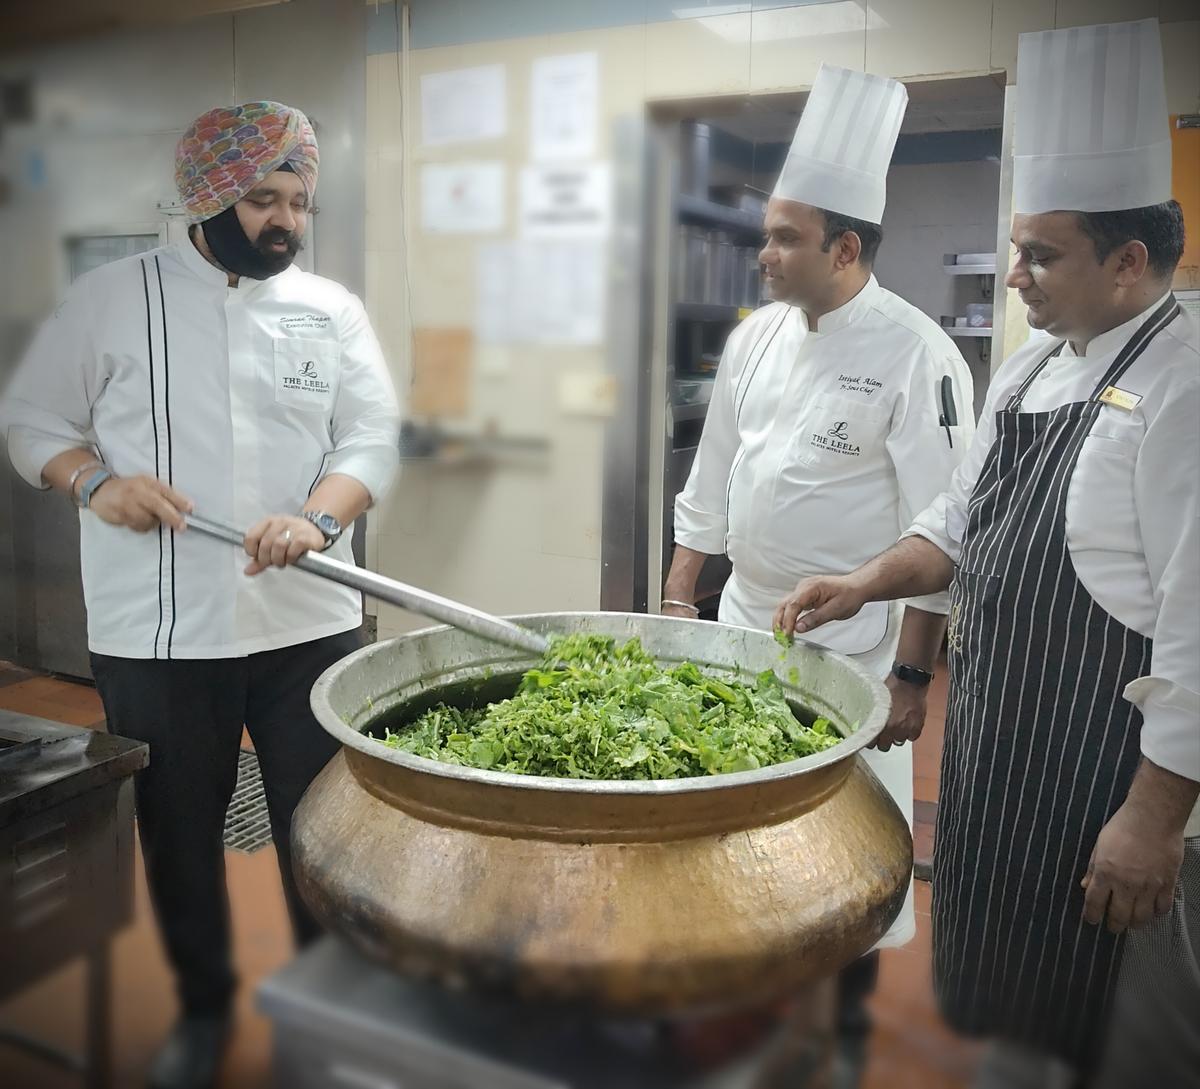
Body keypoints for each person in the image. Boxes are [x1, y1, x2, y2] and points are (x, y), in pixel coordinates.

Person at [774, 20, 1198, 1089]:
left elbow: (1198, 630)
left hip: (1111, 773)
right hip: (1005, 754)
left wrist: (1154, 820)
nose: (1015, 276)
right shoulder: (1031, 369)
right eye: (1016, 250)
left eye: (1041, 255)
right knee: (1013, 1001)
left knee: (1123, 1033)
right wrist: (865, 581)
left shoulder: (1185, 388)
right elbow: (958, 524)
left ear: (1129, 261)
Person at [1, 101, 399, 1089]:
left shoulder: (330, 310)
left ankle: (325, 1019)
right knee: (178, 832)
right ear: (207, 195)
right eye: (263, 198)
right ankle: (206, 1009)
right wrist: (96, 482)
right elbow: (31, 420)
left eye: (298, 202)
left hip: (308, 622)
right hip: (158, 629)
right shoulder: (108, 298)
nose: (285, 221)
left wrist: (318, 519)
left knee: (324, 832)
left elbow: (369, 437)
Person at [661, 64, 975, 1087]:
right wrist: (678, 596)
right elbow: (713, 477)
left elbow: (944, 529)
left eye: (784, 238)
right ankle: (739, 1020)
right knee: (731, 833)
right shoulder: (754, 340)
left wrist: (913, 676)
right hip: (744, 626)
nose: (763, 255)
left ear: (845, 249)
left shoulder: (918, 354)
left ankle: (837, 1037)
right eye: (766, 235)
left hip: (851, 652)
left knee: (842, 862)